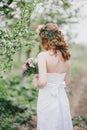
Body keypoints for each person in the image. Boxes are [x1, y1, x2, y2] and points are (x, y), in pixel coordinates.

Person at [27, 23, 73, 130]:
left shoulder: (43, 56)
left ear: (44, 38)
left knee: (48, 124)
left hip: (47, 98)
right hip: (61, 97)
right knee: (62, 123)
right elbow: (67, 82)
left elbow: (43, 83)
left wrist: (35, 79)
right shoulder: (67, 56)